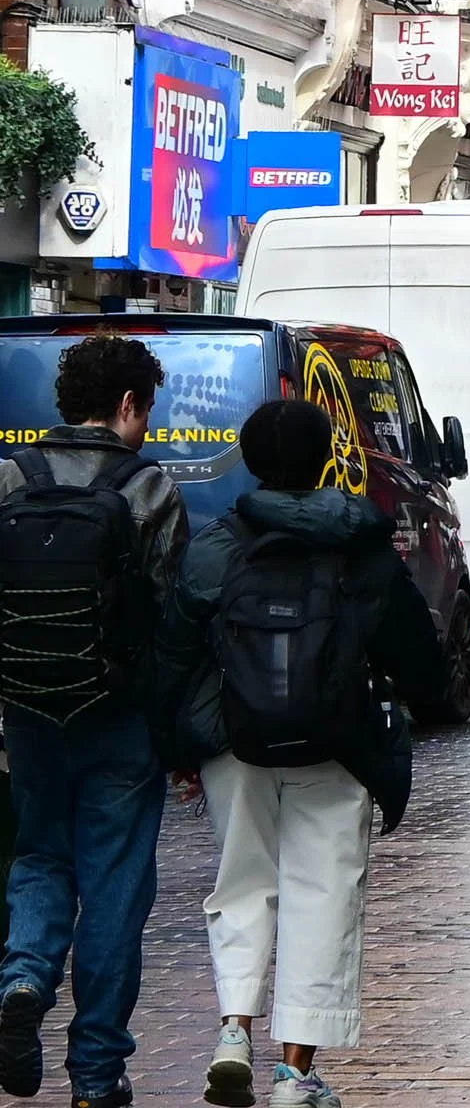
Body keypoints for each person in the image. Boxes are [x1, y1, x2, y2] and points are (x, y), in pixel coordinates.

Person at [152, 401, 443, 1108]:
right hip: (336, 740)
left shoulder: (220, 543)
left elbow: (173, 655)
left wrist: (180, 749)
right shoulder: (361, 541)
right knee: (324, 893)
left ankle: (231, 1033)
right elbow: (416, 655)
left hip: (237, 740)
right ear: (324, 460)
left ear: (252, 463)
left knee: (240, 885)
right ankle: (293, 1072)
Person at [0, 333, 188, 1108]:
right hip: (118, 717)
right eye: (145, 409)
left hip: (25, 708)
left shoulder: (10, 478)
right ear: (125, 404)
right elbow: (171, 623)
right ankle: (96, 1075)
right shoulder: (149, 489)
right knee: (114, 887)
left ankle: (21, 977)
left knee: (40, 854)